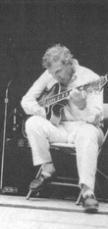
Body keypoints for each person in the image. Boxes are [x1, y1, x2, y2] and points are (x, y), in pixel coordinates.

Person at [21, 44, 104, 213]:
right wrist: (45, 112)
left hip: (84, 127)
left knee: (87, 133)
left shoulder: (91, 78)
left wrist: (82, 106)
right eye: (52, 73)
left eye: (58, 72)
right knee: (33, 123)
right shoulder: (50, 74)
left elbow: (95, 116)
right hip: (59, 127)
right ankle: (47, 166)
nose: (55, 77)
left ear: (69, 63)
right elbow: (26, 101)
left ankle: (87, 191)